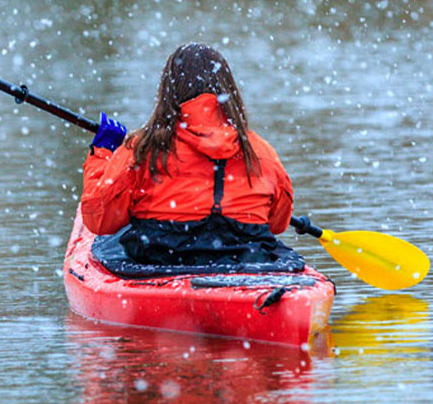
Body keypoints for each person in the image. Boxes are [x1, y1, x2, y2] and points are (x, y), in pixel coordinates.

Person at [81, 43, 301, 269]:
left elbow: (99, 220)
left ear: (168, 91)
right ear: (228, 89)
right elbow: (277, 223)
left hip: (163, 260)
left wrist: (103, 153)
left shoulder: (142, 148)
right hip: (245, 260)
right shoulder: (260, 151)